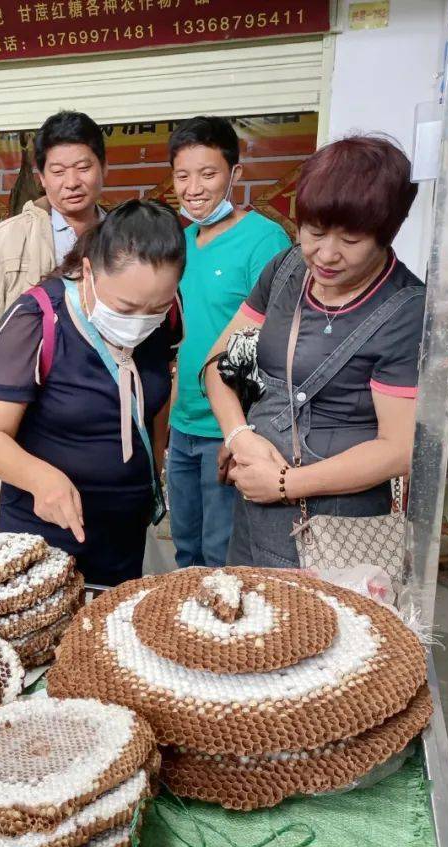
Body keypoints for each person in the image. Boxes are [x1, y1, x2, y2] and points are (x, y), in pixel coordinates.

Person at [203, 135, 423, 567]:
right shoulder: (286, 270)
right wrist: (239, 435)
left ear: (387, 233)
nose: (325, 254)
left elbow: (399, 448)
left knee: (313, 630)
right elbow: (218, 363)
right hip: (254, 497)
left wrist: (287, 484)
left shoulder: (406, 310)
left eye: (351, 240)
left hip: (338, 522)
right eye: (314, 232)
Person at [0, 200, 184, 586]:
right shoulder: (38, 318)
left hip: (123, 526)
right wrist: (40, 479)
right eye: (125, 307)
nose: (140, 323)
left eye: (155, 307)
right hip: (39, 526)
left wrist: (152, 470)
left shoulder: (168, 315)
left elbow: (154, 399)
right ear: (88, 271)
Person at [165, 116, 291, 568]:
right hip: (184, 426)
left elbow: (273, 345)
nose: (193, 188)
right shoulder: (180, 242)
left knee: (222, 555)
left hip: (230, 428)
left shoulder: (265, 240)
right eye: (182, 176)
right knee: (184, 547)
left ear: (234, 175)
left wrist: (242, 431)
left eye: (208, 174)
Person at [0, 110, 107, 364]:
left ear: (103, 168)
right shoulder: (2, 241)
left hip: (109, 390)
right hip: (34, 393)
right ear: (42, 178)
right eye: (58, 171)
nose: (71, 182)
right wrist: (8, 391)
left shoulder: (126, 237)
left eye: (83, 168)